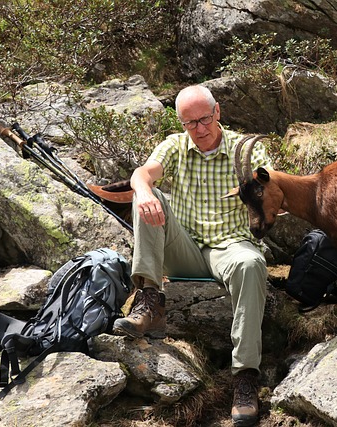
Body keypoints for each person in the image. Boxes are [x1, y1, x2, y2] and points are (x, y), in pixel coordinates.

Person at [113, 84, 272, 427]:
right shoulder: (174, 145)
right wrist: (142, 191)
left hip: (230, 246)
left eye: (204, 119)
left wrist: (259, 187)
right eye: (190, 123)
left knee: (251, 263)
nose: (199, 129)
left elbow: (270, 184)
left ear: (218, 113)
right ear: (181, 123)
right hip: (184, 246)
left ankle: (244, 379)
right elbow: (143, 173)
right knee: (150, 200)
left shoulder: (244, 149)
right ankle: (150, 302)